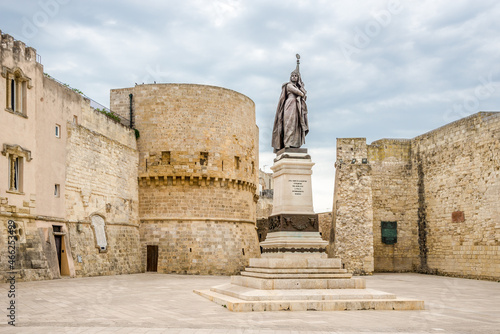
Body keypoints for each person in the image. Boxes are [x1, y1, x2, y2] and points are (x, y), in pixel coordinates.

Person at [271, 55, 309, 152]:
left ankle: (294, 144)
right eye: (292, 75)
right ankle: (287, 143)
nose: (294, 77)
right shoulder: (288, 85)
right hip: (289, 105)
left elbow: (303, 93)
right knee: (289, 124)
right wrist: (301, 92)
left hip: (296, 107)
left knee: (296, 125)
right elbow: (300, 93)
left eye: (296, 75)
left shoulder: (296, 86)